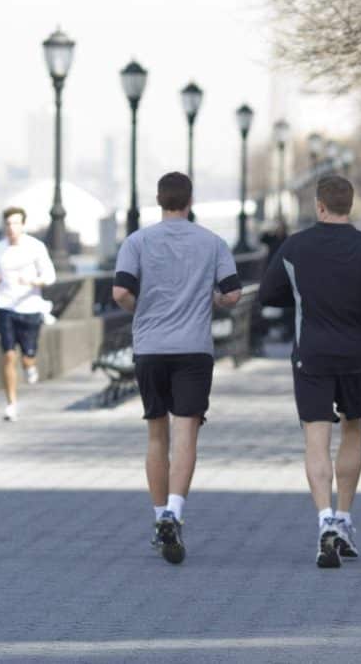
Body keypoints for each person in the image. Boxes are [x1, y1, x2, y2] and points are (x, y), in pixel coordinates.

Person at [259, 175, 361, 569]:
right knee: (352, 429)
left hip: (312, 354)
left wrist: (304, 296)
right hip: (356, 353)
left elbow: (269, 294)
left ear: (319, 206)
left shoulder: (295, 246)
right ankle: (345, 519)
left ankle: (324, 520)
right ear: (349, 206)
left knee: (316, 438)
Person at [112, 172, 242, 565]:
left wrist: (142, 312)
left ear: (158, 199)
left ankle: (157, 519)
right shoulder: (212, 242)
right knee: (186, 433)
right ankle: (174, 512)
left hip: (150, 347)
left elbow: (120, 291)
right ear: (189, 200)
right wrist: (215, 301)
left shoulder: (136, 242)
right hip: (193, 350)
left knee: (156, 433)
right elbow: (233, 292)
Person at [0, 206, 57, 422]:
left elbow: (50, 276)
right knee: (8, 355)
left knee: (27, 358)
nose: (12, 228)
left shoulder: (35, 247)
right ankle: (11, 404)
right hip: (5, 305)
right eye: (8, 224)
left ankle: (30, 365)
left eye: (16, 223)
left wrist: (33, 281)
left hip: (30, 307)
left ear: (23, 225)